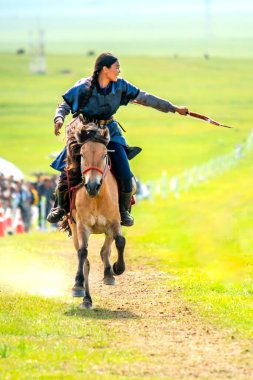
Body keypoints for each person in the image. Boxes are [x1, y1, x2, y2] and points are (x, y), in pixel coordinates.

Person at [47, 52, 188, 227]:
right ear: (105, 69)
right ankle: (60, 207)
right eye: (117, 67)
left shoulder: (120, 86)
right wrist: (58, 119)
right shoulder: (83, 87)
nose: (119, 71)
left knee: (125, 174)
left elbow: (145, 97)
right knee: (68, 170)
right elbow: (65, 105)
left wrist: (173, 108)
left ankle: (123, 212)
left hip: (109, 132)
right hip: (84, 132)